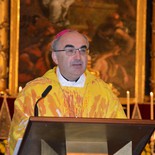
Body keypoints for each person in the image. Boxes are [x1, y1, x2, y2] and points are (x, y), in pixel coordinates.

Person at [7, 29, 126, 154]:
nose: (78, 57)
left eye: (83, 50)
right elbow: (20, 138)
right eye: (70, 51)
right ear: (55, 57)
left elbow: (121, 138)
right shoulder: (35, 93)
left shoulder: (104, 93)